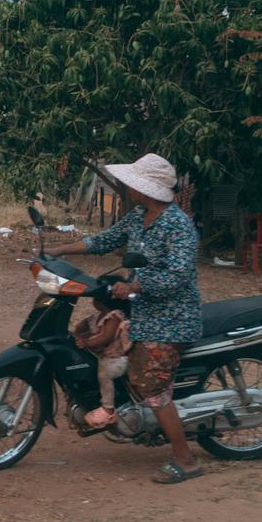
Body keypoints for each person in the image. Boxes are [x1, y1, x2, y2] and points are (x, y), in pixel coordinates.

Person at [53, 153, 205, 484]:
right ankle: (111, 407)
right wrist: (61, 251)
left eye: (134, 182)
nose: (129, 187)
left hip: (171, 317)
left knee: (151, 383)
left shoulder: (179, 226)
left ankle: (186, 460)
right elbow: (104, 240)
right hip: (143, 308)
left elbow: (177, 276)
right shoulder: (139, 216)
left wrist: (135, 284)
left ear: (147, 188)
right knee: (91, 334)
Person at [72, 291, 131, 430]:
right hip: (103, 355)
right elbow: (84, 327)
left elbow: (106, 337)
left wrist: (87, 342)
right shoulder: (99, 316)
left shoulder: (114, 316)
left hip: (115, 357)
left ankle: (108, 409)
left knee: (104, 374)